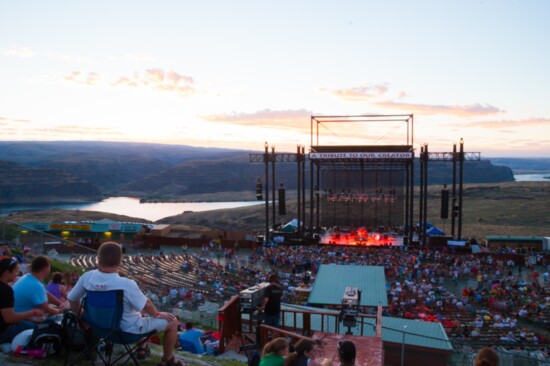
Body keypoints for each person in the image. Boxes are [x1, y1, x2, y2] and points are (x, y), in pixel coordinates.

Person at [68, 242, 184, 366]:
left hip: (99, 329)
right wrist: (158, 314)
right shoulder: (126, 284)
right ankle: (168, 359)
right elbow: (147, 305)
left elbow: (72, 298)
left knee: (137, 315)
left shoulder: (87, 277)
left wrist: (82, 316)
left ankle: (145, 349)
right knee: (172, 321)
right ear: (120, 261)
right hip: (126, 333)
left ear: (98, 260)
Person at [0, 257, 45, 343]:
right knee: (41, 329)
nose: (17, 274)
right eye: (15, 271)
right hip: (4, 333)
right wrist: (33, 313)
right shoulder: (5, 290)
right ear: (6, 273)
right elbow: (9, 318)